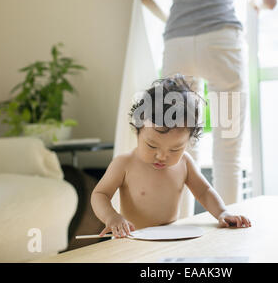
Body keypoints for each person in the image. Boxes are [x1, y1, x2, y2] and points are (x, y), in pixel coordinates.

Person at [139, 0, 277, 207]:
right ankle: (228, 229)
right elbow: (270, 0)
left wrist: (172, 19)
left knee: (178, 148)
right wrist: (257, 3)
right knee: (228, 148)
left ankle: (176, 233)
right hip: (220, 43)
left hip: (177, 44)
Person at [91, 75, 251, 238]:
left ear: (188, 141)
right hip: (134, 238)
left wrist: (222, 213)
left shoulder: (184, 163)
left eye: (175, 149)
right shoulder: (124, 163)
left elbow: (204, 192)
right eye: (152, 146)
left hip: (170, 237)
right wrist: (112, 217)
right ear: (138, 130)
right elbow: (100, 195)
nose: (162, 156)